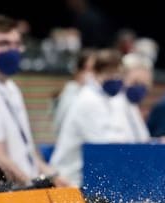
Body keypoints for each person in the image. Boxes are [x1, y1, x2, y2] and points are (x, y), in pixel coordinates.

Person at [0, 14, 71, 190]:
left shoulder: (12, 89)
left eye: (16, 44)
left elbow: (29, 152)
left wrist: (54, 177)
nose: (12, 50)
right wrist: (32, 186)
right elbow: (0, 157)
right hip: (13, 194)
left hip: (27, 187)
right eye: (3, 44)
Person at [50, 48, 126, 187]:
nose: (115, 78)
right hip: (69, 179)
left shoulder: (109, 99)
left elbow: (121, 134)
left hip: (89, 176)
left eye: (118, 74)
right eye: (110, 73)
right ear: (96, 73)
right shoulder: (87, 99)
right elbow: (102, 144)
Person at [52, 47, 95, 136]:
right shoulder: (70, 93)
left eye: (94, 70)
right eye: (88, 69)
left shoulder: (96, 94)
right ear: (77, 71)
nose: (91, 74)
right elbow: (59, 126)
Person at [110, 52, 152, 143]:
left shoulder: (132, 106)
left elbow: (143, 139)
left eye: (143, 84)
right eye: (135, 82)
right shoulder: (113, 102)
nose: (139, 88)